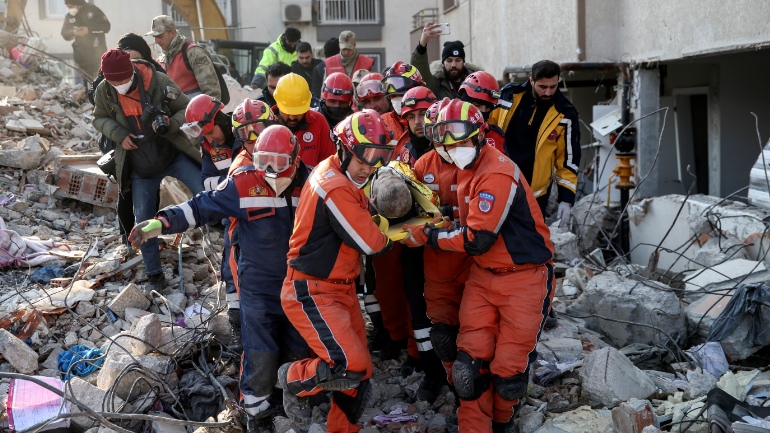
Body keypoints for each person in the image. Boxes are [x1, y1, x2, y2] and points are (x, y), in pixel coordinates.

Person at [128, 125, 309, 433]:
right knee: (260, 355)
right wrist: (158, 223)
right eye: (263, 160)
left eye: (279, 163)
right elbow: (200, 206)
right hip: (259, 290)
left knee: (300, 352)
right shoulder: (243, 185)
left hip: (298, 288)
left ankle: (293, 405)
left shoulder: (310, 183)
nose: (270, 171)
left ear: (295, 159)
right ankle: (257, 416)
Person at [404, 99, 554, 432]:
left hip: (524, 278)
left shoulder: (496, 171)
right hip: (483, 276)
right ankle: (475, 425)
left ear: (480, 136)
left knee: (508, 375)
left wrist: (429, 236)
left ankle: (501, 421)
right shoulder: (458, 167)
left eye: (461, 142)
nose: (455, 149)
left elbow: (476, 240)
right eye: (447, 144)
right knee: (467, 368)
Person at [277, 110, 395, 432]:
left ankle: (342, 429)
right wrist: (404, 228)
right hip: (312, 289)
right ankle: (292, 379)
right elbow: (372, 243)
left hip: (338, 287)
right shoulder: (335, 187)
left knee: (361, 374)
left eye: (375, 162)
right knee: (350, 366)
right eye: (362, 160)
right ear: (343, 148)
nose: (368, 169)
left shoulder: (336, 174)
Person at [92, 49, 203, 292]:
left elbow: (187, 108)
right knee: (142, 220)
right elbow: (98, 118)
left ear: (132, 71)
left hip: (171, 154)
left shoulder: (158, 81)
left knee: (205, 191)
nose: (120, 85)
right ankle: (154, 275)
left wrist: (170, 123)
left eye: (123, 80)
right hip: (140, 166)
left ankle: (220, 238)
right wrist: (119, 134)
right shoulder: (104, 89)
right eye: (114, 82)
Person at [377, 84, 448, 401]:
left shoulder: (449, 150)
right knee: (415, 305)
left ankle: (447, 366)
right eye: (413, 115)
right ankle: (427, 366)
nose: (419, 121)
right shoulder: (404, 154)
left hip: (447, 248)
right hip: (411, 245)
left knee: (444, 309)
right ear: (403, 118)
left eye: (424, 114)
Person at [412, 97, 474, 387]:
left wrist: (450, 214)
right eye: (436, 134)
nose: (444, 142)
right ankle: (453, 386)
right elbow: (414, 214)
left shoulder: (473, 161)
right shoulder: (423, 166)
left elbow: (489, 211)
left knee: (476, 330)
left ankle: (477, 390)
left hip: (474, 259)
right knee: (443, 335)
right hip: (437, 262)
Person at [87, 33, 164, 246]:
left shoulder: (153, 73)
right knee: (125, 190)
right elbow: (95, 101)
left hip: (149, 143)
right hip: (119, 141)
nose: (132, 65)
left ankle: (149, 236)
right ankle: (126, 238)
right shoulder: (108, 76)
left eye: (136, 59)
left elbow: (169, 96)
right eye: (127, 58)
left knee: (151, 189)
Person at [179, 94, 242, 353]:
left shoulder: (246, 131)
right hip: (232, 217)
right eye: (204, 136)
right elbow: (205, 182)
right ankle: (238, 331)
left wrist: (226, 182)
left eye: (212, 132)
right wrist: (234, 183)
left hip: (263, 215)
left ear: (222, 120)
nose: (210, 139)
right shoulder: (209, 145)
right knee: (231, 270)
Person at [488, 60, 581, 224]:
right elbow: (486, 128)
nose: (548, 92)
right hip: (498, 185)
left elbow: (568, 159)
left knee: (531, 244)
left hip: (536, 194)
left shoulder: (565, 113)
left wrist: (566, 198)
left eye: (553, 87)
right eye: (542, 87)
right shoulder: (508, 96)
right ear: (531, 81)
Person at [146, 15, 221, 99]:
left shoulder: (193, 53)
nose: (156, 41)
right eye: (154, 37)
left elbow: (212, 91)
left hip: (197, 110)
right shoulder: (161, 60)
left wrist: (208, 110)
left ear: (173, 33)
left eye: (160, 36)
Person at [272, 72, 336, 169]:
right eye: (287, 111)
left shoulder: (318, 122)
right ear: (278, 103)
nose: (292, 118)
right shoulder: (264, 125)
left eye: (298, 112)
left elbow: (330, 165)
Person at [411, 22, 481, 99]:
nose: (453, 65)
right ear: (443, 63)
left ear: (463, 62)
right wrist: (422, 45)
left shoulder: (478, 82)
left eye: (458, 60)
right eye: (449, 60)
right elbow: (421, 70)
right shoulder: (436, 84)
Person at [61, 0, 110, 82]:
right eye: (68, 7)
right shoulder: (70, 16)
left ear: (77, 4)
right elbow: (64, 34)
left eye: (71, 6)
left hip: (97, 55)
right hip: (82, 57)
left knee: (100, 81)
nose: (70, 9)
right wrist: (73, 32)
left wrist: (89, 30)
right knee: (87, 83)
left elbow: (106, 27)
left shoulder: (93, 11)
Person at [458, 71, 507, 153]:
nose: (483, 112)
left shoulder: (496, 135)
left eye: (487, 107)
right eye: (477, 105)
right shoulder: (448, 133)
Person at [312, 31, 374, 95]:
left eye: (349, 49)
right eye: (344, 49)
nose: (346, 52)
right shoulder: (329, 63)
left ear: (354, 45)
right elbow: (324, 91)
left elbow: (372, 87)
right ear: (339, 46)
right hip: (337, 103)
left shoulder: (367, 63)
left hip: (360, 103)